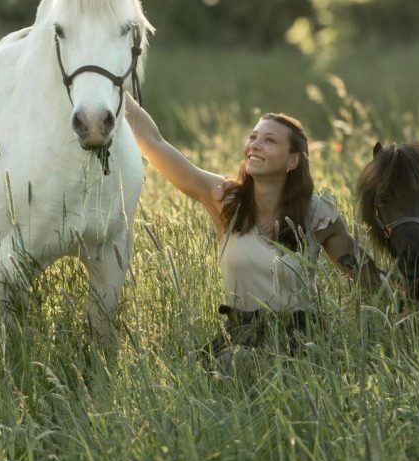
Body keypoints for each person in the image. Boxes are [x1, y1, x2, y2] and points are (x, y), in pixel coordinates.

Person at [124, 96, 382, 355]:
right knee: (220, 362)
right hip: (239, 336)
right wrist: (114, 88)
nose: (255, 145)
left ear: (293, 161)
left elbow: (365, 275)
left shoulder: (317, 214)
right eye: (253, 137)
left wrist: (409, 301)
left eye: (270, 140)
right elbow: (156, 144)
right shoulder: (227, 203)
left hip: (300, 341)